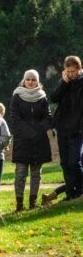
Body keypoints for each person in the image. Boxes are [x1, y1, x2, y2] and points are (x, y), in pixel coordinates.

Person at [11, 70, 53, 211]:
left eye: (33, 80)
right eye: (28, 79)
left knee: (36, 174)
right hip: (22, 141)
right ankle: (19, 204)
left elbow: (48, 117)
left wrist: (38, 130)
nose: (30, 82)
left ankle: (33, 202)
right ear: (24, 80)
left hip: (39, 141)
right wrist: (30, 132)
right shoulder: (17, 96)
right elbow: (15, 119)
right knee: (21, 173)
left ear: (37, 81)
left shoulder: (42, 97)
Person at [50, 56, 83, 200]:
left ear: (80, 69)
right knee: (65, 163)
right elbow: (54, 98)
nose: (70, 74)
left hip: (78, 129)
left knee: (74, 162)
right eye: (68, 71)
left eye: (73, 71)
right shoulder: (65, 82)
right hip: (63, 128)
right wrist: (64, 83)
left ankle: (80, 190)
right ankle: (71, 193)